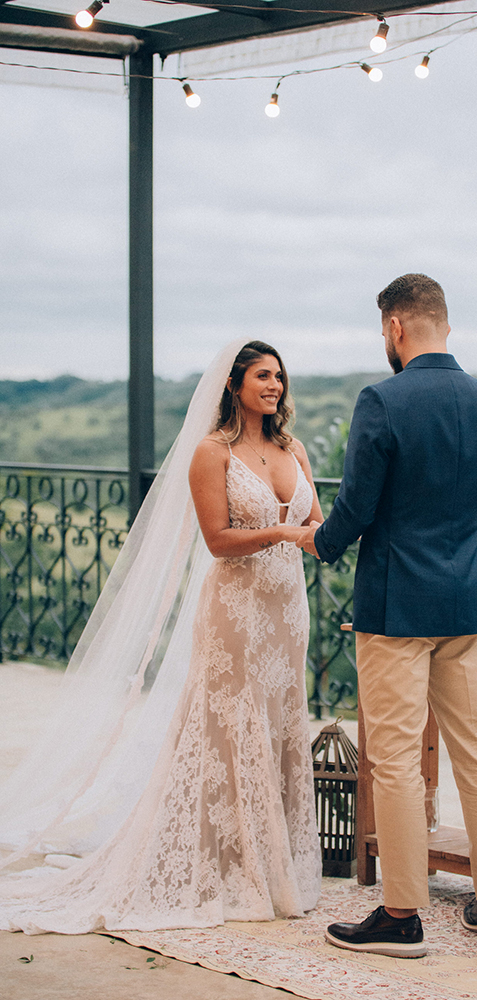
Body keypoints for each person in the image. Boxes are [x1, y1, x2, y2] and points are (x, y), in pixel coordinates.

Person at [0, 339, 322, 933]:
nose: (274, 386)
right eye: (261, 376)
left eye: (278, 376)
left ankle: (281, 866)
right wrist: (281, 535)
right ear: (234, 384)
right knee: (228, 729)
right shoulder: (212, 452)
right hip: (236, 611)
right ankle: (225, 864)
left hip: (287, 614)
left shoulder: (292, 447)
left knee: (278, 724)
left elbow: (316, 524)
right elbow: (218, 541)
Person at [297, 274, 477, 957]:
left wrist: (318, 540)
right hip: (464, 604)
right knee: (476, 750)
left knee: (392, 758)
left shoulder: (381, 400)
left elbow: (357, 507)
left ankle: (400, 916)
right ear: (440, 324)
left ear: (394, 327)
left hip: (395, 606)